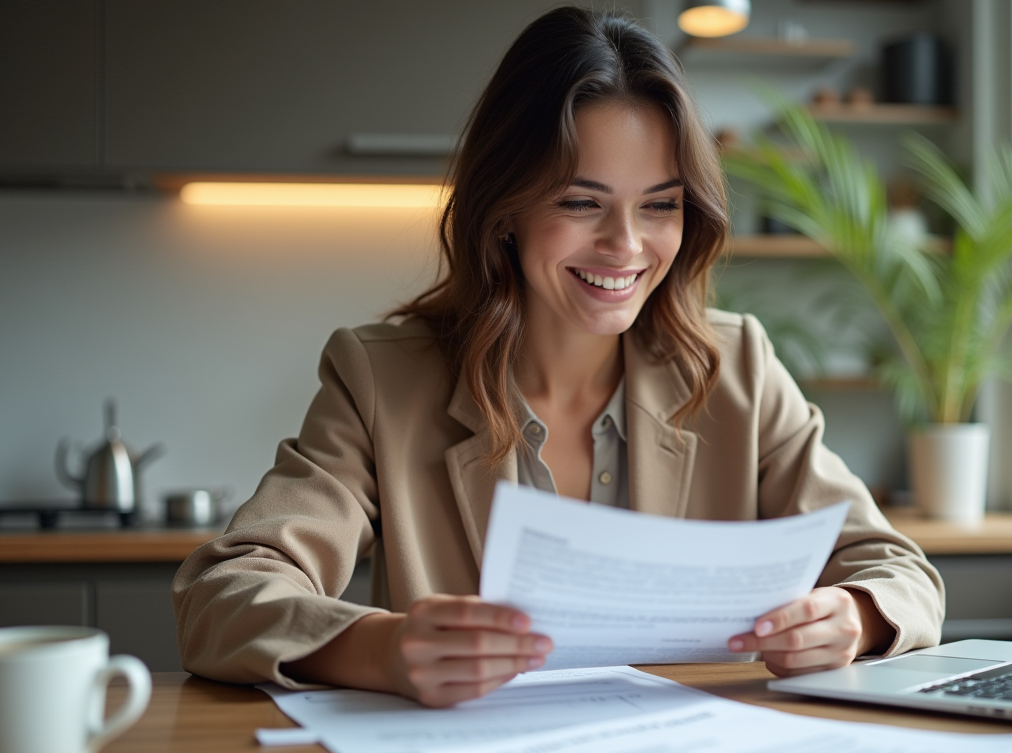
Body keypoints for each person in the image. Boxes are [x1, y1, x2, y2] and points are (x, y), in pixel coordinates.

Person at [173, 7, 944, 708]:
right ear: (505, 208)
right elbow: (223, 594)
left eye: (661, 205)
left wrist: (856, 618)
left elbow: (901, 572)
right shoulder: (381, 379)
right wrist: (381, 647)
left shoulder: (735, 365)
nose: (627, 245)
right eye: (581, 202)